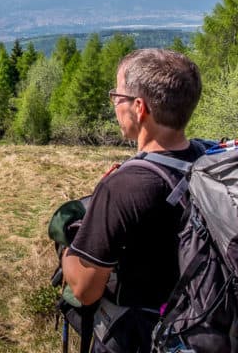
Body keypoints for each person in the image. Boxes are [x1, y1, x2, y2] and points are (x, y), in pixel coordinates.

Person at [61, 48, 203, 353]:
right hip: (201, 329)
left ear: (139, 108)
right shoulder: (207, 160)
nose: (115, 105)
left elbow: (85, 290)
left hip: (143, 338)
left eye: (117, 96)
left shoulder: (125, 186)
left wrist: (67, 252)